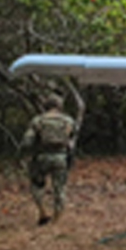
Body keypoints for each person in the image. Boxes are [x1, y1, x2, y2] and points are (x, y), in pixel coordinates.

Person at [20, 94, 77, 226]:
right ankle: (57, 219)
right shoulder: (68, 121)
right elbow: (72, 141)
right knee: (60, 188)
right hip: (61, 157)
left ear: (45, 106)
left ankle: (42, 211)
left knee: (36, 185)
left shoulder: (38, 121)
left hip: (41, 157)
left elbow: (27, 142)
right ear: (60, 106)